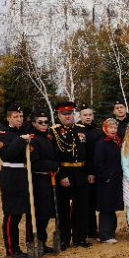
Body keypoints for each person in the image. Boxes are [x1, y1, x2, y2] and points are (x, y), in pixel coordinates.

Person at [51, 100, 93, 250]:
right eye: (64, 114)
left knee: (81, 208)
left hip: (81, 173)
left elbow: (89, 153)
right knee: (63, 209)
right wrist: (61, 175)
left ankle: (80, 238)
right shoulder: (54, 132)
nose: (68, 117)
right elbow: (54, 157)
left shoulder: (82, 130)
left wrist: (90, 172)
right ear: (59, 115)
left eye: (70, 114)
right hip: (64, 174)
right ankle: (64, 239)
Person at [0, 103, 33, 258]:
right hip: (10, 175)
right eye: (16, 117)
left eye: (21, 116)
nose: (19, 119)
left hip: (25, 174)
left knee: (27, 212)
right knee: (13, 213)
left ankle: (30, 244)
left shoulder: (24, 130)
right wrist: (21, 140)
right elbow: (7, 155)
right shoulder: (2, 132)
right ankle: (12, 249)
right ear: (9, 118)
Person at [27, 109, 60, 255]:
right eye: (40, 122)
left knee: (46, 213)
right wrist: (53, 165)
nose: (44, 124)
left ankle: (43, 241)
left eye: (46, 122)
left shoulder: (47, 138)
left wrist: (55, 165)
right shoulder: (32, 139)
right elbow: (35, 163)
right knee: (38, 213)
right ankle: (36, 243)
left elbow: (53, 156)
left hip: (49, 179)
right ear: (34, 123)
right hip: (37, 180)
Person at [94, 118, 124, 244]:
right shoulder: (102, 143)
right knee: (106, 207)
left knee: (112, 207)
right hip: (106, 181)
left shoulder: (116, 141)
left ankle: (111, 232)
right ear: (105, 128)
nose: (113, 130)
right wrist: (106, 177)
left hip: (116, 180)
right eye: (110, 127)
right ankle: (104, 235)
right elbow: (98, 163)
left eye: (115, 128)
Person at [78, 103, 101, 240]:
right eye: (85, 115)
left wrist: (92, 172)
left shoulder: (97, 131)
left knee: (92, 202)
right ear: (80, 116)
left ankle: (92, 229)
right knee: (82, 203)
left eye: (90, 115)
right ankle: (82, 230)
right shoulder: (77, 131)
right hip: (80, 172)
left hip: (94, 172)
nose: (88, 117)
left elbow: (95, 154)